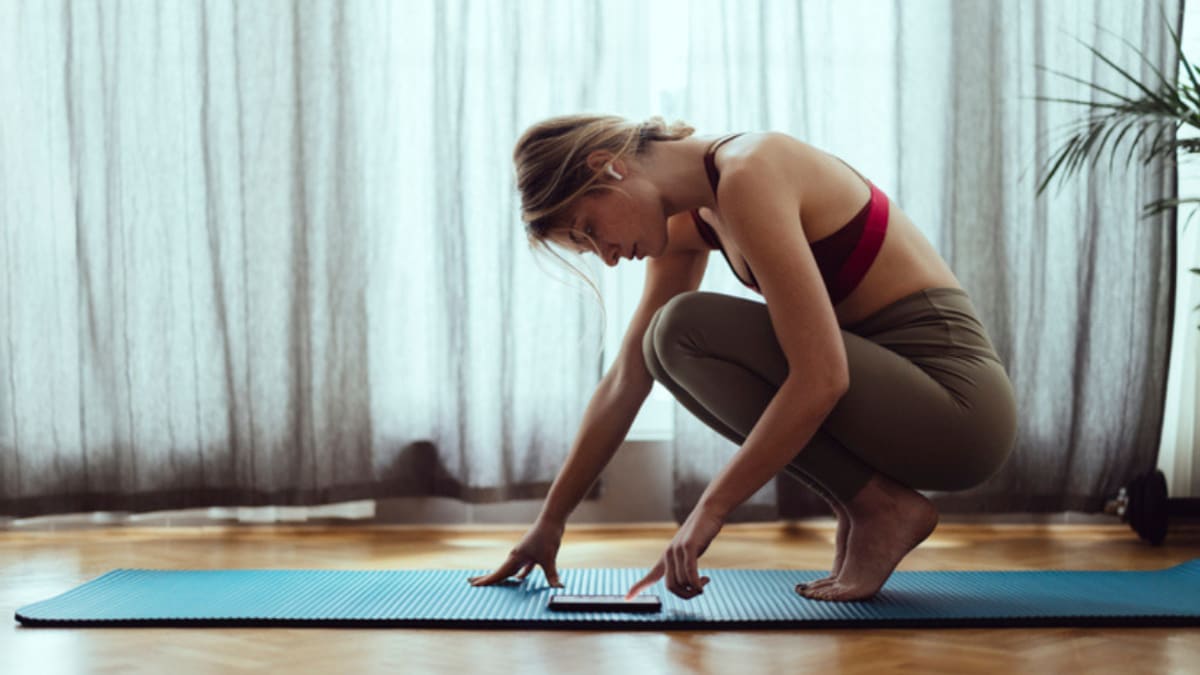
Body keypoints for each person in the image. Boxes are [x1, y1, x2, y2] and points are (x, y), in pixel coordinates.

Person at [467, 114, 1017, 602]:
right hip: (895, 406)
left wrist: (710, 510)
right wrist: (550, 522)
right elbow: (625, 381)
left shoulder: (752, 170)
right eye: (588, 249)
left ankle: (879, 507)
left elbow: (822, 377)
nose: (609, 259)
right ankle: (871, 505)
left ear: (608, 166)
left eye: (591, 230)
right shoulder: (691, 225)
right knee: (662, 343)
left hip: (958, 408)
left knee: (682, 327)